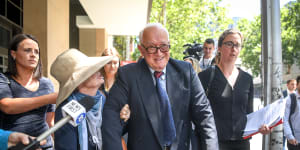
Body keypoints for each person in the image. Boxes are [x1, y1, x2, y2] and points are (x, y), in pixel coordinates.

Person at [102, 23, 218, 150]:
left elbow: (204, 115)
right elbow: (110, 119)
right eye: (152, 47)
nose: (159, 53)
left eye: (164, 47)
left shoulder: (186, 71)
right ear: (141, 50)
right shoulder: (128, 75)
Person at [198, 29, 270, 150]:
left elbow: (249, 113)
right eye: (229, 44)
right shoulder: (205, 76)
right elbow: (197, 113)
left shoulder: (247, 79)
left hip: (242, 143)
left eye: (237, 45)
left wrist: (260, 127)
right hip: (213, 143)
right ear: (219, 48)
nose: (233, 48)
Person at [52, 49, 130, 150]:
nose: (99, 71)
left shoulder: (105, 99)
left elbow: (117, 132)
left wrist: (124, 119)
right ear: (79, 80)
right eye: (91, 70)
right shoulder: (66, 109)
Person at [0, 34, 57, 150]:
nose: (33, 55)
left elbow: (50, 122)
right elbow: (7, 106)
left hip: (45, 146)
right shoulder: (3, 79)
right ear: (13, 54)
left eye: (36, 52)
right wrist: (49, 98)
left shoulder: (46, 83)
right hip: (16, 146)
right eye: (27, 50)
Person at [284, 76, 300, 150]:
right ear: (297, 85)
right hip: (295, 140)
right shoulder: (291, 98)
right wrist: (289, 136)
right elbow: (285, 119)